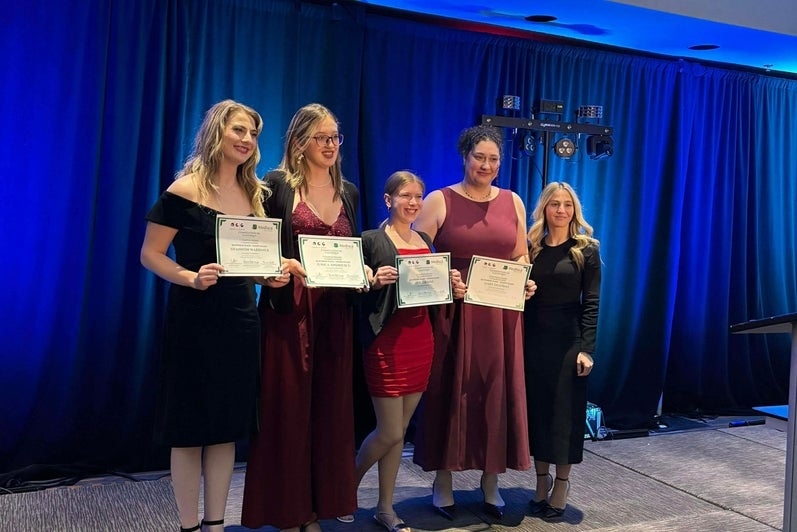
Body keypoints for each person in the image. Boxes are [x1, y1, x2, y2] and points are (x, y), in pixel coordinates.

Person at [141, 100, 288, 532]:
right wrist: (189, 277)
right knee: (188, 429)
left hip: (241, 319)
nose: (247, 140)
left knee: (225, 428)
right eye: (239, 130)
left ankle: (216, 525)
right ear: (216, 133)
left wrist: (271, 276)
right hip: (194, 319)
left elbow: (254, 263)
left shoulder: (254, 193)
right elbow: (150, 255)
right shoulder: (184, 190)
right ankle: (189, 526)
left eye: (254, 134)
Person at [241, 103, 360, 532]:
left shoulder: (348, 191)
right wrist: (276, 270)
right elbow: (262, 247)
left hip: (335, 317)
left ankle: (314, 510)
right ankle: (287, 513)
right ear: (299, 142)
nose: (330, 146)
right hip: (290, 315)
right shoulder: (276, 186)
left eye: (335, 138)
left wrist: (361, 270)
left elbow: (350, 250)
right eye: (321, 138)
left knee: (329, 416)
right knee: (286, 415)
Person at [412, 124, 536, 520]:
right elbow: (412, 251)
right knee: (452, 393)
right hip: (455, 314)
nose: (486, 165)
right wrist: (443, 277)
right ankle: (443, 482)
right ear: (464, 157)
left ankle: (491, 482)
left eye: (493, 158)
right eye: (479, 157)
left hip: (501, 316)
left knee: (496, 395)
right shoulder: (440, 199)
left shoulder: (513, 200)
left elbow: (520, 255)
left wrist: (524, 280)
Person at [356, 171, 466, 532]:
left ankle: (385, 508)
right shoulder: (371, 239)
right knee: (388, 432)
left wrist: (449, 283)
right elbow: (352, 288)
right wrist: (371, 281)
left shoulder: (423, 240)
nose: (414, 202)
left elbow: (431, 293)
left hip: (421, 340)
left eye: (419, 196)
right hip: (386, 343)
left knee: (399, 432)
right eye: (406, 195)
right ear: (388, 200)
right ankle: (344, 487)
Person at [524, 181, 601, 520]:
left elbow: (592, 303)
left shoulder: (587, 250)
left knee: (564, 417)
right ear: (544, 208)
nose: (560, 210)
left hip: (570, 345)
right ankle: (541, 483)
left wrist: (587, 349)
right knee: (538, 414)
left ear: (575, 210)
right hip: (533, 342)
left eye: (567, 205)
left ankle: (562, 485)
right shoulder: (531, 248)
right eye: (554, 204)